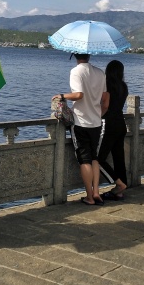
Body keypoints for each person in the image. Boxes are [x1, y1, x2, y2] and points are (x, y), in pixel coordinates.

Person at [52, 53, 106, 206]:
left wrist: (62, 95)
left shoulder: (76, 71)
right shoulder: (100, 72)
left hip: (81, 122)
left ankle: (89, 197)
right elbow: (104, 98)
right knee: (94, 158)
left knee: (85, 160)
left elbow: (78, 94)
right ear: (89, 55)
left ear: (75, 54)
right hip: (96, 122)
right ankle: (96, 192)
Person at [97, 60, 128, 201]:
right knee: (118, 158)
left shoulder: (106, 85)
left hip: (108, 124)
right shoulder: (123, 86)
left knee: (98, 159)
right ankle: (120, 190)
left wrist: (97, 117)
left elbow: (105, 105)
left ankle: (119, 183)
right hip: (121, 124)